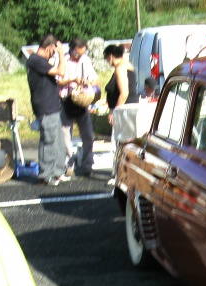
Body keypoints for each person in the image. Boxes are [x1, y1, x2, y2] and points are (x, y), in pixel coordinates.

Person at [27, 34, 68, 186]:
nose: (55, 53)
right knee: (49, 141)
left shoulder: (40, 61)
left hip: (52, 106)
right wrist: (62, 55)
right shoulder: (36, 60)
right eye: (54, 50)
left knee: (57, 141)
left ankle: (57, 172)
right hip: (45, 107)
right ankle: (45, 175)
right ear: (50, 48)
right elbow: (60, 72)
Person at [57, 38, 98, 177]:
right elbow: (59, 80)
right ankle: (69, 164)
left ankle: (87, 164)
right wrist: (73, 80)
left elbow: (95, 78)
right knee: (65, 134)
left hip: (82, 100)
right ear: (72, 49)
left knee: (87, 134)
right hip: (66, 99)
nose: (80, 56)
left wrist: (87, 82)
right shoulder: (63, 60)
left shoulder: (85, 60)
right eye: (78, 53)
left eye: (82, 53)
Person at [103, 44, 137, 126]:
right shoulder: (128, 65)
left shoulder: (120, 68)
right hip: (129, 107)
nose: (108, 62)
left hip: (124, 109)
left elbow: (124, 93)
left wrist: (115, 112)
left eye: (106, 59)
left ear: (110, 56)